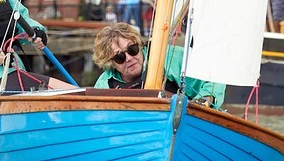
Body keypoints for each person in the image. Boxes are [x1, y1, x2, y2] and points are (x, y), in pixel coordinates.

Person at [92, 22, 225, 108]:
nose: (129, 58)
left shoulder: (167, 57)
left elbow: (213, 70)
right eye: (119, 57)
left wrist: (205, 99)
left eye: (132, 49)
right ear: (110, 63)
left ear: (139, 44)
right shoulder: (104, 84)